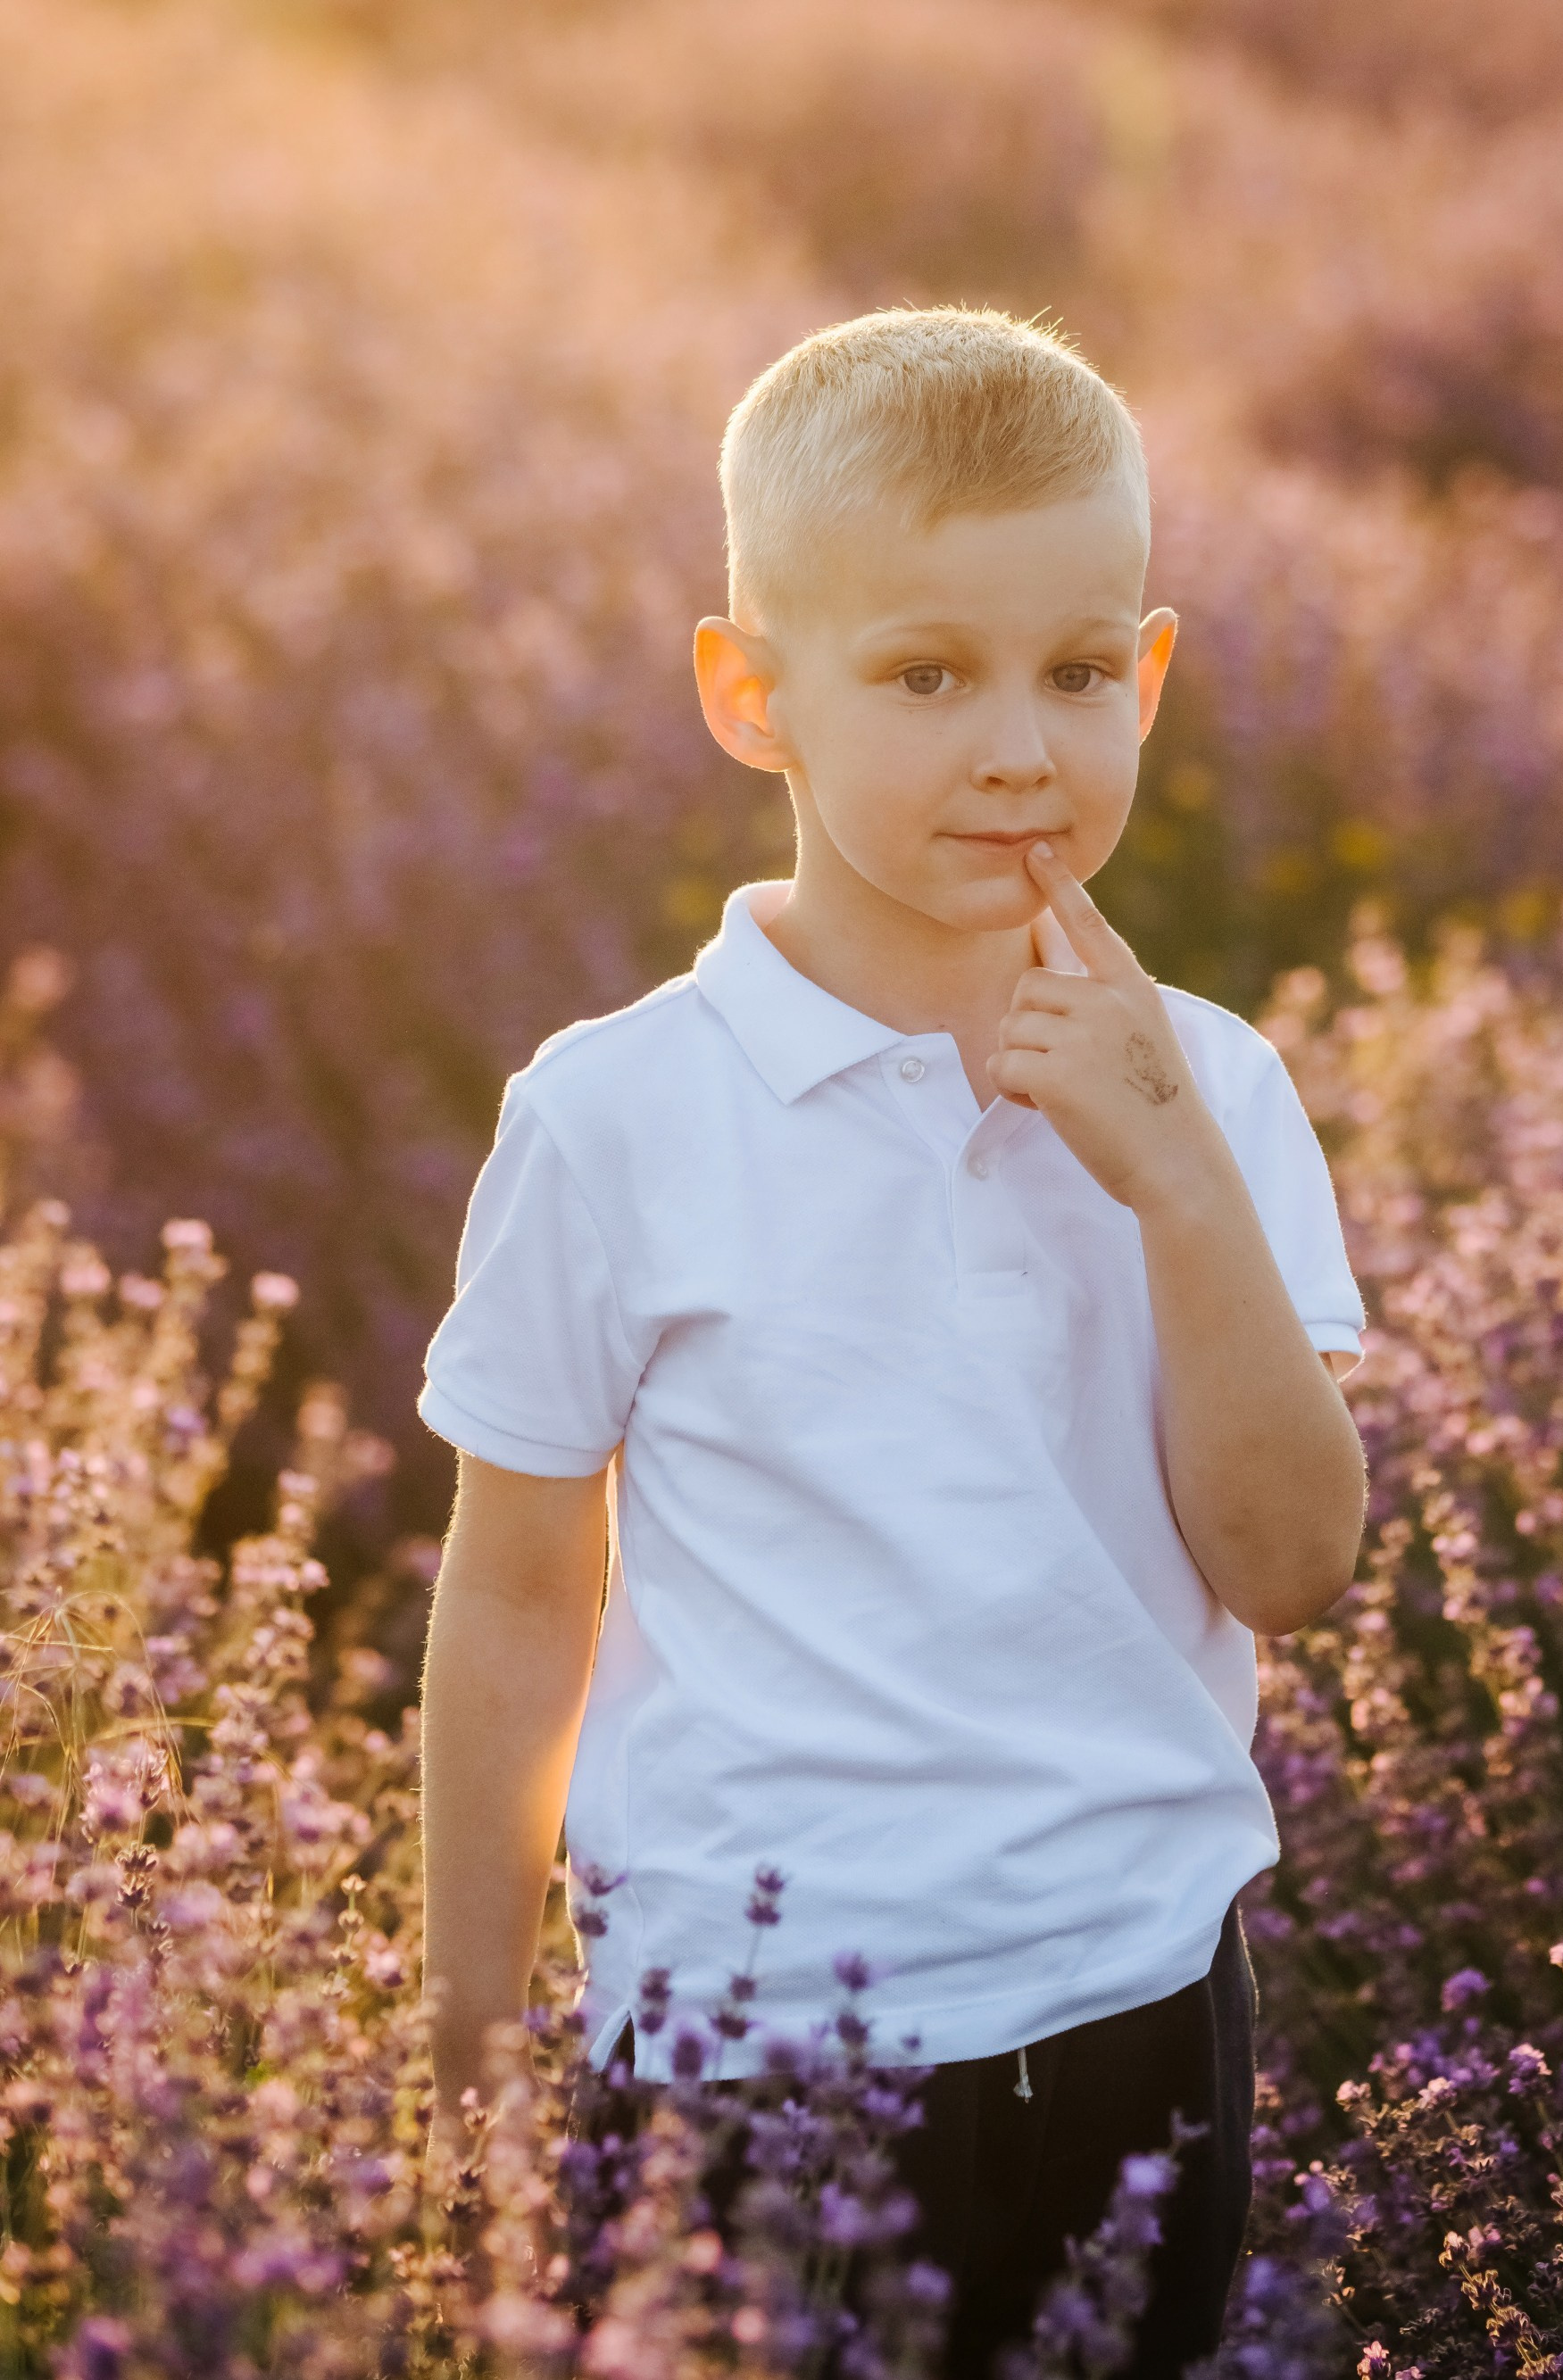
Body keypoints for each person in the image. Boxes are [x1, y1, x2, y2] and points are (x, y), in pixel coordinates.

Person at [415, 305, 1368, 2373]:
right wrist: (475, 2033)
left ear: (1155, 674)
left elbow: (1290, 1563)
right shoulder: (616, 1113)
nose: (1018, 742)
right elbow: (511, 1594)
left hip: (1137, 1996)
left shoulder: (1217, 1087)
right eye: (925, 674)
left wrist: (1175, 1179)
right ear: (749, 696)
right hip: (748, 2049)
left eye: (1076, 670)